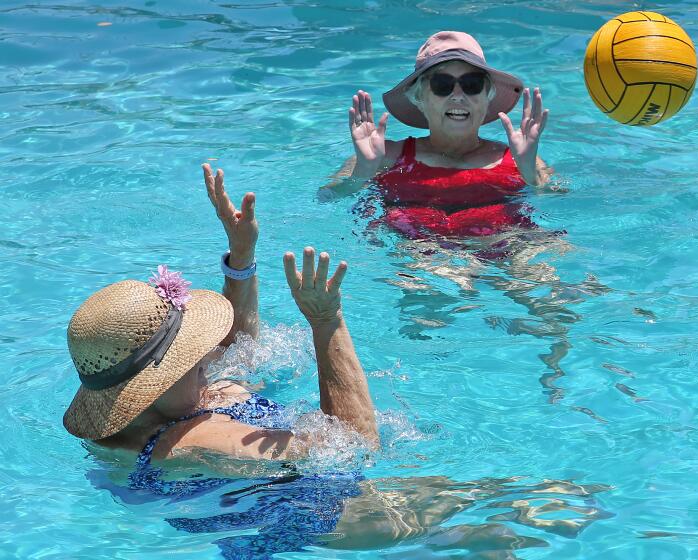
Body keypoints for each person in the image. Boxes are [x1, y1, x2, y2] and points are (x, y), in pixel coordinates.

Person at [63, 163, 379, 466]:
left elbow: (236, 350)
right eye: (186, 357)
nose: (203, 357)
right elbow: (355, 448)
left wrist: (240, 260)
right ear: (152, 386)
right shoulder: (196, 441)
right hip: (321, 510)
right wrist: (326, 322)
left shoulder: (143, 422)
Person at [323, 30, 552, 240]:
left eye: (472, 84)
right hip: (421, 254)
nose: (458, 96)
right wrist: (362, 174)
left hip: (508, 243)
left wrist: (531, 176)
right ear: (419, 98)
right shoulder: (383, 157)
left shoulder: (521, 160)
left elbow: (555, 200)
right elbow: (326, 198)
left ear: (487, 96)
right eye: (442, 85)